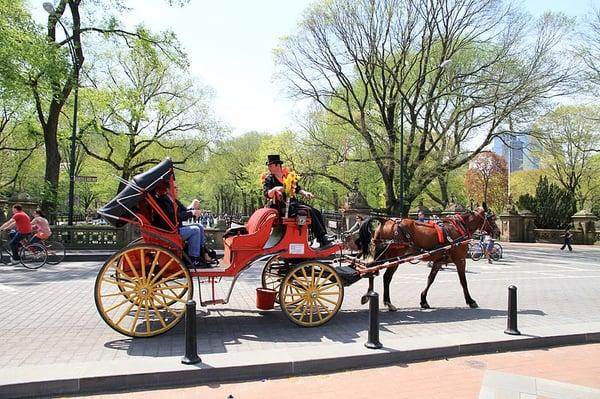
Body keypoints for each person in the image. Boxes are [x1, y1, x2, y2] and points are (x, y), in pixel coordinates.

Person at [262, 154, 332, 248]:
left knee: (317, 212)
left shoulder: (288, 176)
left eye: (270, 166)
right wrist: (275, 189)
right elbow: (267, 193)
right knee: (309, 211)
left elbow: (297, 189)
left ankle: (322, 238)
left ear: (278, 165)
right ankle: (322, 238)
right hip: (282, 206)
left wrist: (305, 193)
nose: (269, 168)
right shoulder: (269, 179)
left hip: (293, 203)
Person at [153, 180, 213, 268]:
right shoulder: (164, 201)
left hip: (174, 228)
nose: (177, 190)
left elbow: (184, 211)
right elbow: (176, 217)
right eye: (175, 188)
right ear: (168, 189)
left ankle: (203, 252)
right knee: (195, 230)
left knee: (199, 226)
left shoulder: (173, 200)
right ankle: (194, 259)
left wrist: (192, 208)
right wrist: (192, 213)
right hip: (169, 231)